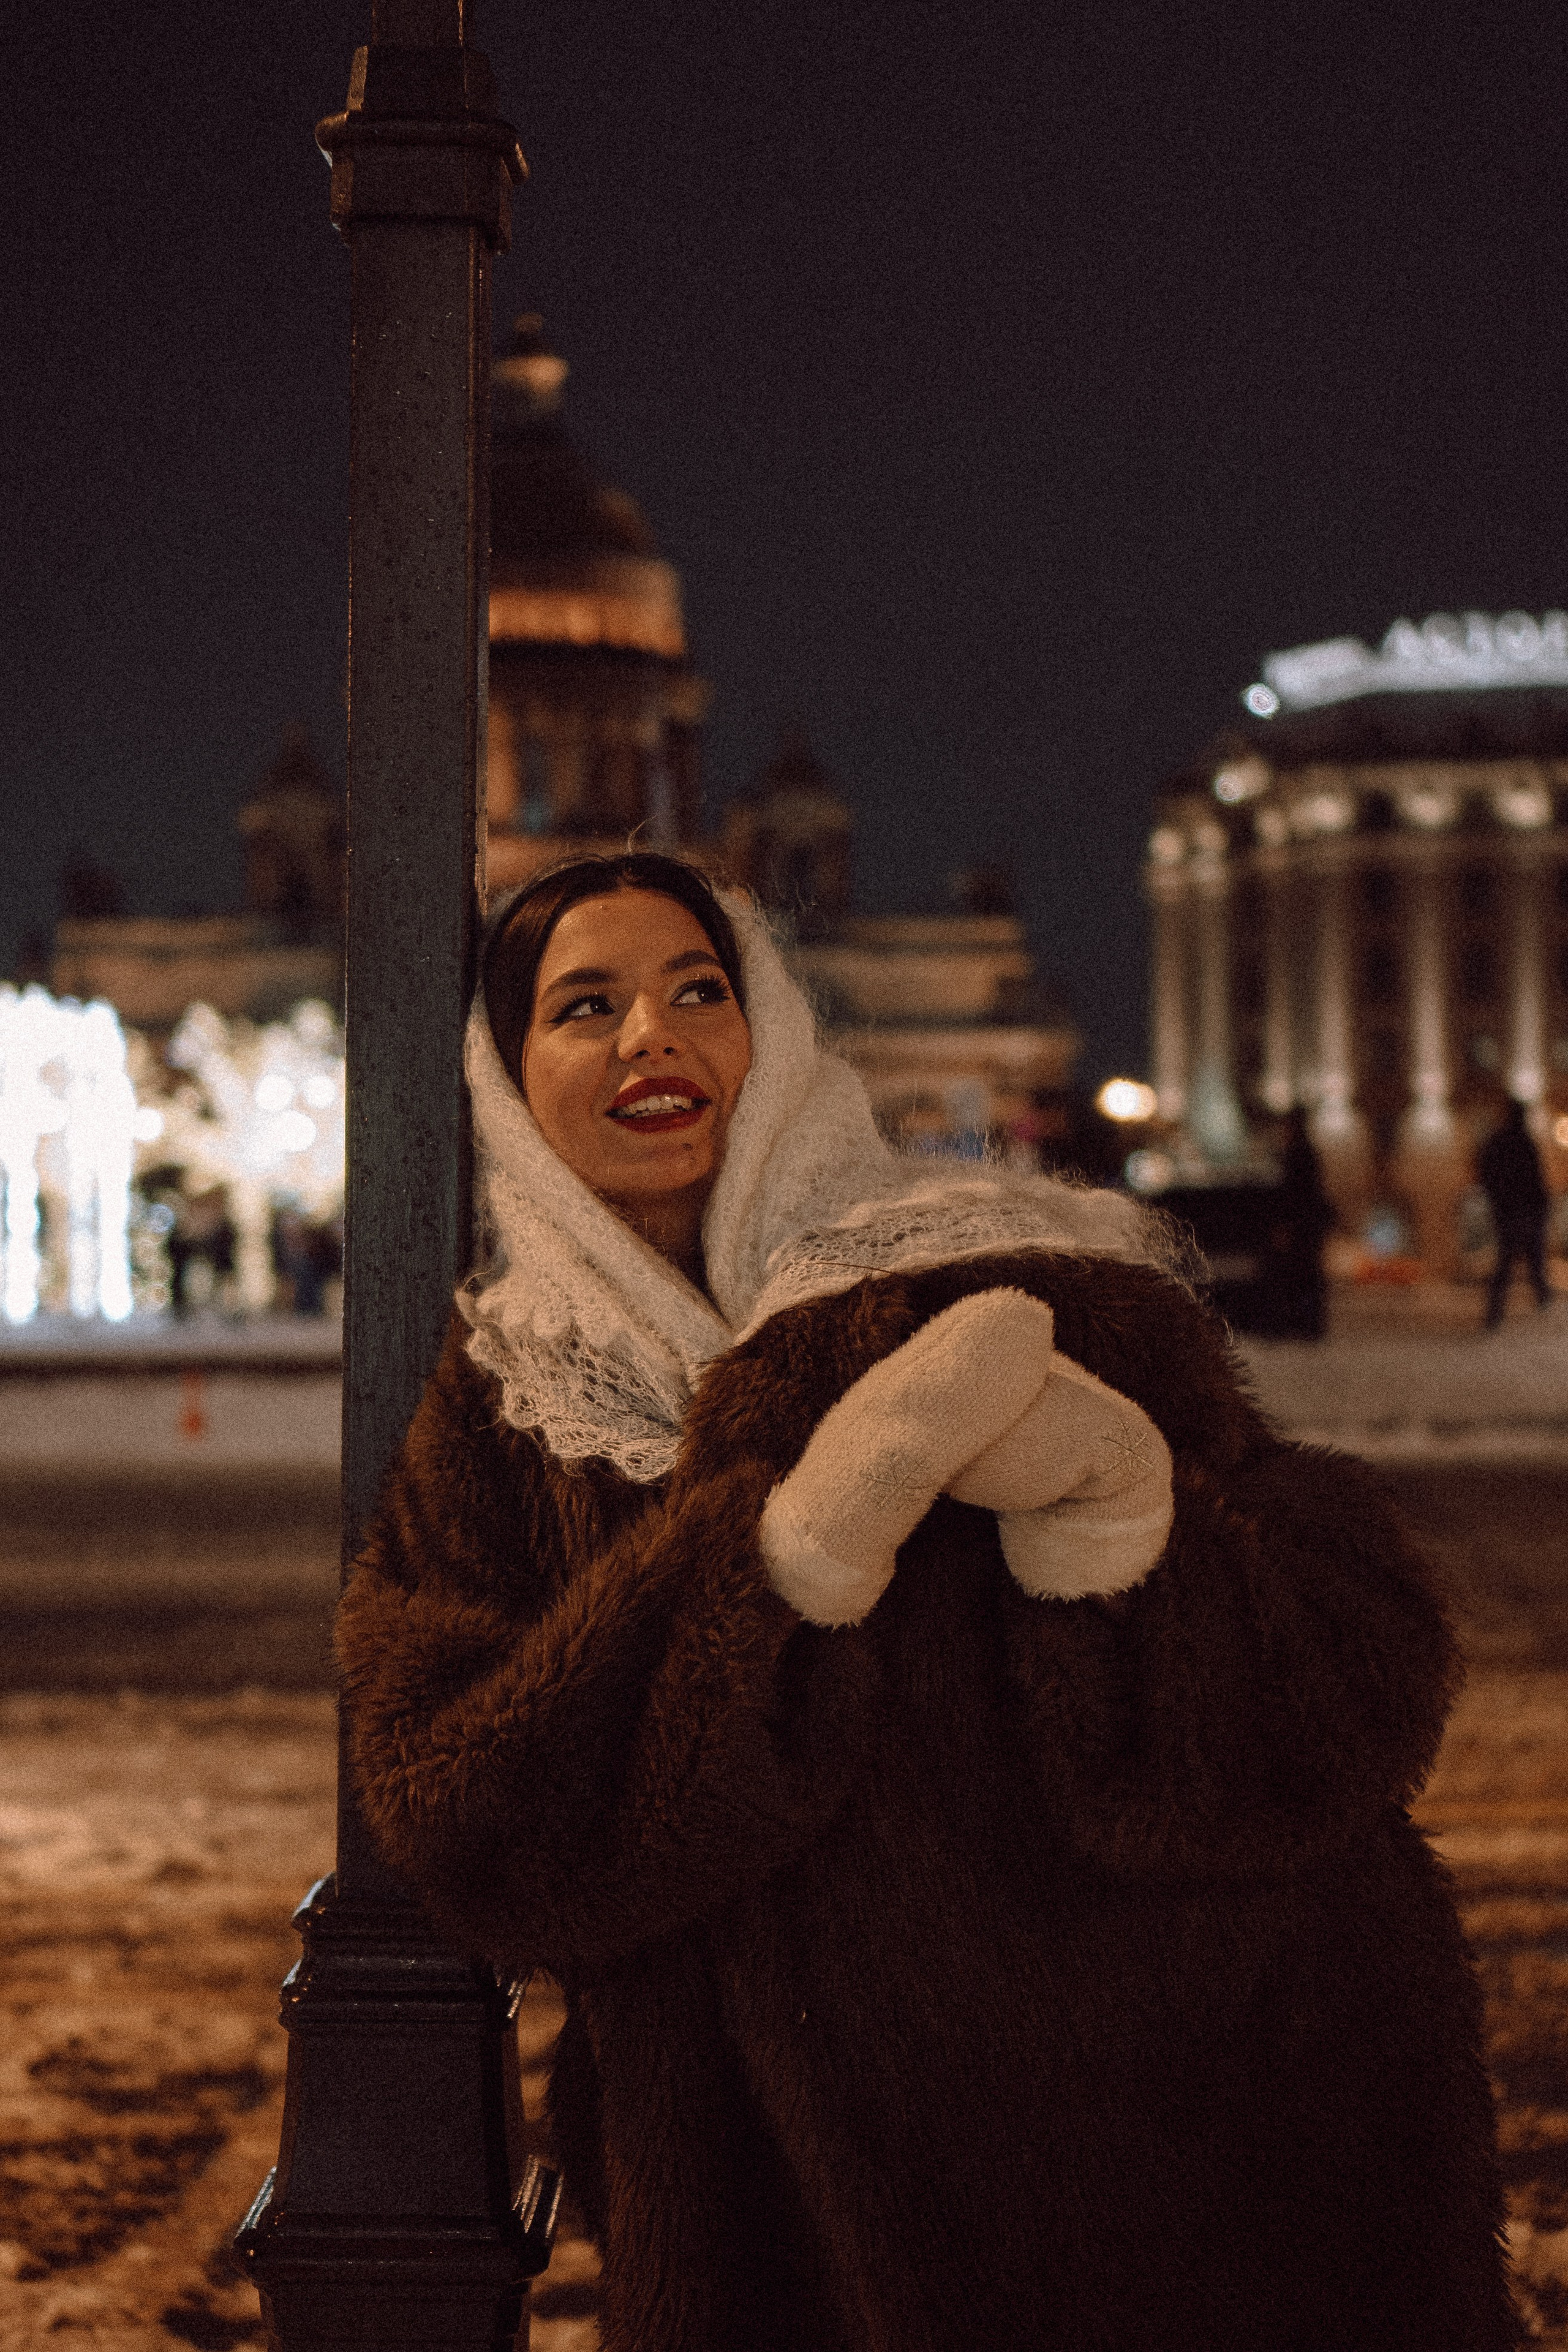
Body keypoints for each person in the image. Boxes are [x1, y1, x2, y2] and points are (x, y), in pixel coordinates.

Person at [336, 853, 1516, 2352]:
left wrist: (1125, 1523)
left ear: (768, 1030)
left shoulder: (1024, 1278)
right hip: (787, 2223)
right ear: (508, 1078)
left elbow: (1360, 1685)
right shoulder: (508, 1411)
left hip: (1207, 2148)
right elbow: (465, 1811)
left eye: (697, 989)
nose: (650, 1035)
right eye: (585, 1006)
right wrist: (769, 1572)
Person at [1258, 1105, 1336, 1338]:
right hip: (1308, 1225)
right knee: (1308, 1274)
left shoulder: (1296, 1155)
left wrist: (1285, 1225)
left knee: (1300, 1275)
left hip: (1301, 1226)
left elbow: (1294, 1195)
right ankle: (1308, 1324)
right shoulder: (1306, 1152)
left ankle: (1302, 1324)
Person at [1477, 1099, 1552, 1330]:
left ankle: (1498, 1311)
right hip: (1521, 1210)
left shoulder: (1500, 1141)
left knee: (1514, 1259)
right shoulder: (1520, 1141)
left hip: (1511, 1210)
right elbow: (1535, 1179)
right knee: (1526, 1258)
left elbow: (1486, 1170)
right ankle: (1539, 1298)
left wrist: (1498, 1199)